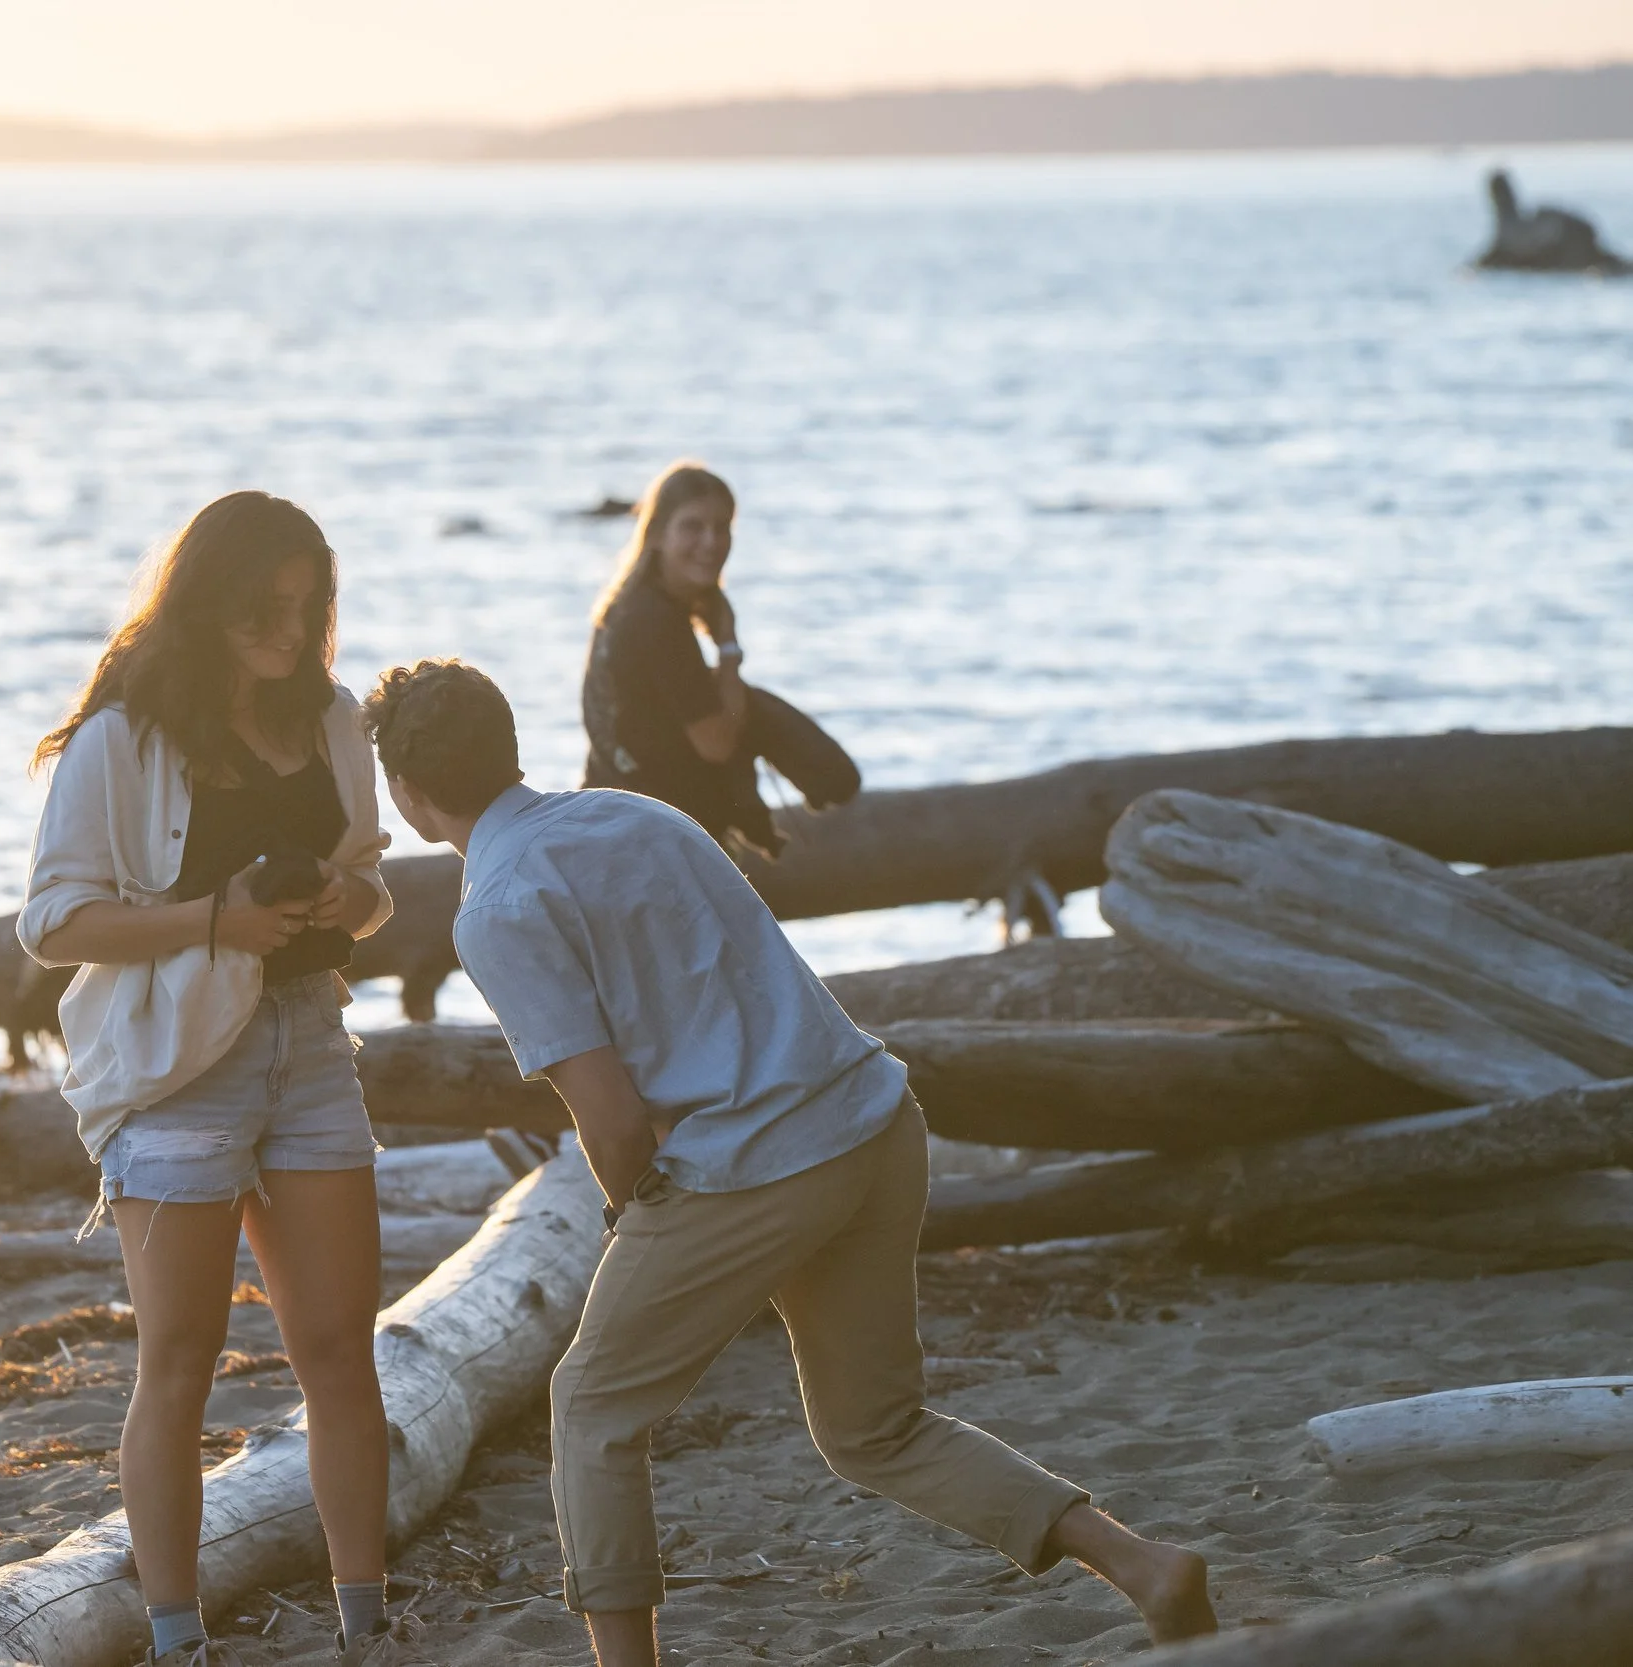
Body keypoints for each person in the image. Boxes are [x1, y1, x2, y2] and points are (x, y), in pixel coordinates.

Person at [363, 659, 1219, 1667]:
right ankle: (1144, 1565)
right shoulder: (633, 814)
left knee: (591, 1405)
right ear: (507, 745)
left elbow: (608, 1114)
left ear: (409, 796)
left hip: (759, 1165)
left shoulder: (497, 905)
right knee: (874, 1428)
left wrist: (629, 1215)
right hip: (872, 1119)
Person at [18, 491, 406, 1666]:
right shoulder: (121, 738)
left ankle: (368, 1620)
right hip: (177, 1066)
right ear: (206, 599)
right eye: (265, 609)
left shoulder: (334, 718)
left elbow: (374, 886)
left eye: (307, 609)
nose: (291, 634)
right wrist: (213, 922)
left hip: (309, 1046)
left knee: (341, 1348)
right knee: (178, 1359)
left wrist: (352, 902)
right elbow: (51, 922)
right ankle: (179, 1637)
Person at [581, 461, 859, 858]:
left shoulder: (626, 605)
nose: (711, 542)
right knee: (747, 703)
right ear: (657, 532)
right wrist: (728, 647)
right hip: (656, 832)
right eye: (693, 527)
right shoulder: (657, 621)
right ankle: (825, 794)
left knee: (740, 699)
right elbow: (717, 744)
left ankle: (821, 794)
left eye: (722, 527)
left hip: (619, 811)